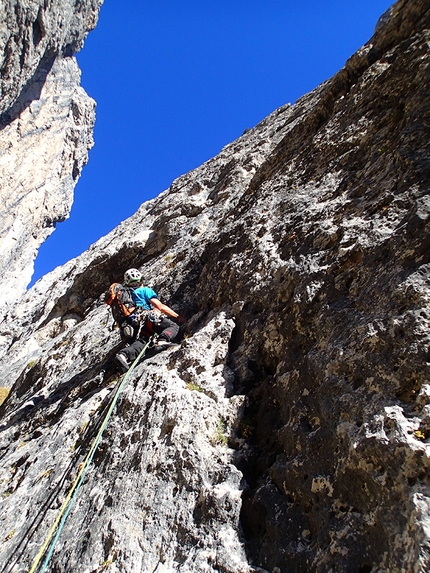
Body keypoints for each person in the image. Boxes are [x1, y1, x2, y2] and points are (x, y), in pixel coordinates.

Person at [114, 268, 184, 372]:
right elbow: (160, 306)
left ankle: (123, 355)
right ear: (141, 279)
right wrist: (178, 317)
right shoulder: (145, 290)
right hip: (148, 318)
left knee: (142, 342)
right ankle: (162, 341)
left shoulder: (126, 295)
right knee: (173, 326)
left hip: (136, 324)